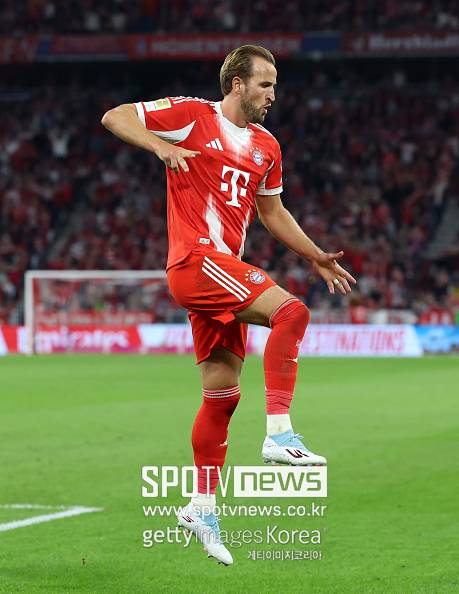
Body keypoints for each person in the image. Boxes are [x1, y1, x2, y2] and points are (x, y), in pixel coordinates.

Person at [101, 44, 356, 565]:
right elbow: (115, 116)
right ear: (237, 83)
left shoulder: (267, 145)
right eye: (265, 84)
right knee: (291, 312)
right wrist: (160, 147)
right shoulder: (192, 115)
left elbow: (273, 212)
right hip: (196, 260)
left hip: (220, 272)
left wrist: (314, 256)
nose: (273, 94)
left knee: (222, 397)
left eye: (275, 85)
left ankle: (201, 508)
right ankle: (279, 433)